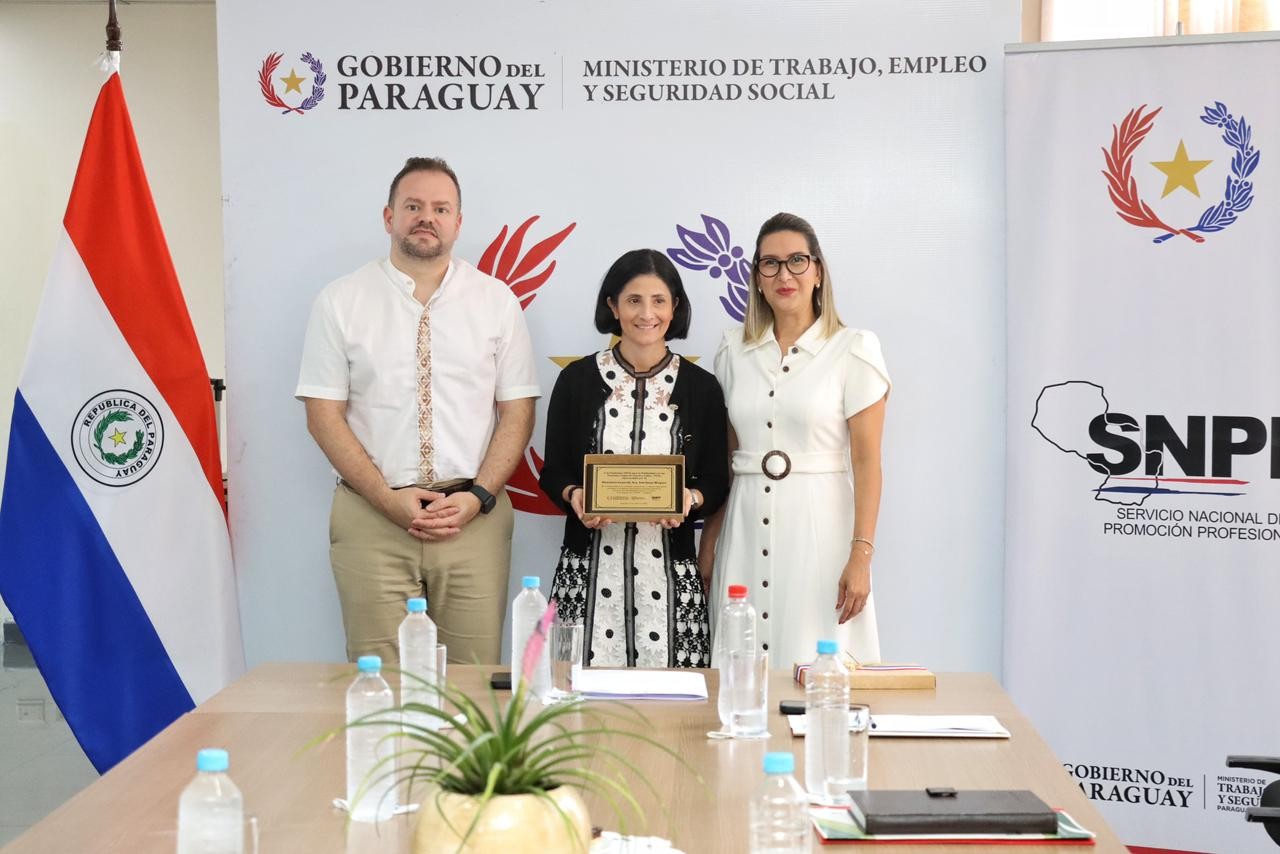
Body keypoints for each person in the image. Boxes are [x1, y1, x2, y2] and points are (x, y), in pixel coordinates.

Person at [296, 157, 539, 666]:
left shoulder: (496, 301)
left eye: (440, 208)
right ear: (389, 217)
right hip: (371, 519)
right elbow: (323, 416)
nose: (427, 217)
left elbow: (517, 413)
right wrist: (387, 500)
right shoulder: (340, 301)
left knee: (474, 682)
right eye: (413, 206)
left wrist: (477, 497)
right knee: (380, 681)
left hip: (473, 520)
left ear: (458, 222)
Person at [699, 213, 890, 671]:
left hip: (820, 531)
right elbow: (728, 459)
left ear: (818, 271)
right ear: (756, 278)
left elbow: (867, 461)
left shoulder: (854, 349)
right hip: (744, 529)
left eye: (797, 261)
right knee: (741, 665)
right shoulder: (732, 351)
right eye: (770, 264)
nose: (784, 275)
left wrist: (861, 555)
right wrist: (711, 540)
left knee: (819, 659)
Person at [539, 250, 729, 668]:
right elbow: (553, 472)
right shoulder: (576, 380)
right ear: (613, 306)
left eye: (659, 300)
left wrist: (690, 499)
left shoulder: (701, 389)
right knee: (577, 697)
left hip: (673, 580)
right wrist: (574, 495)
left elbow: (718, 478)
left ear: (675, 307)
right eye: (633, 300)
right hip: (585, 573)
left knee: (676, 703)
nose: (647, 313)